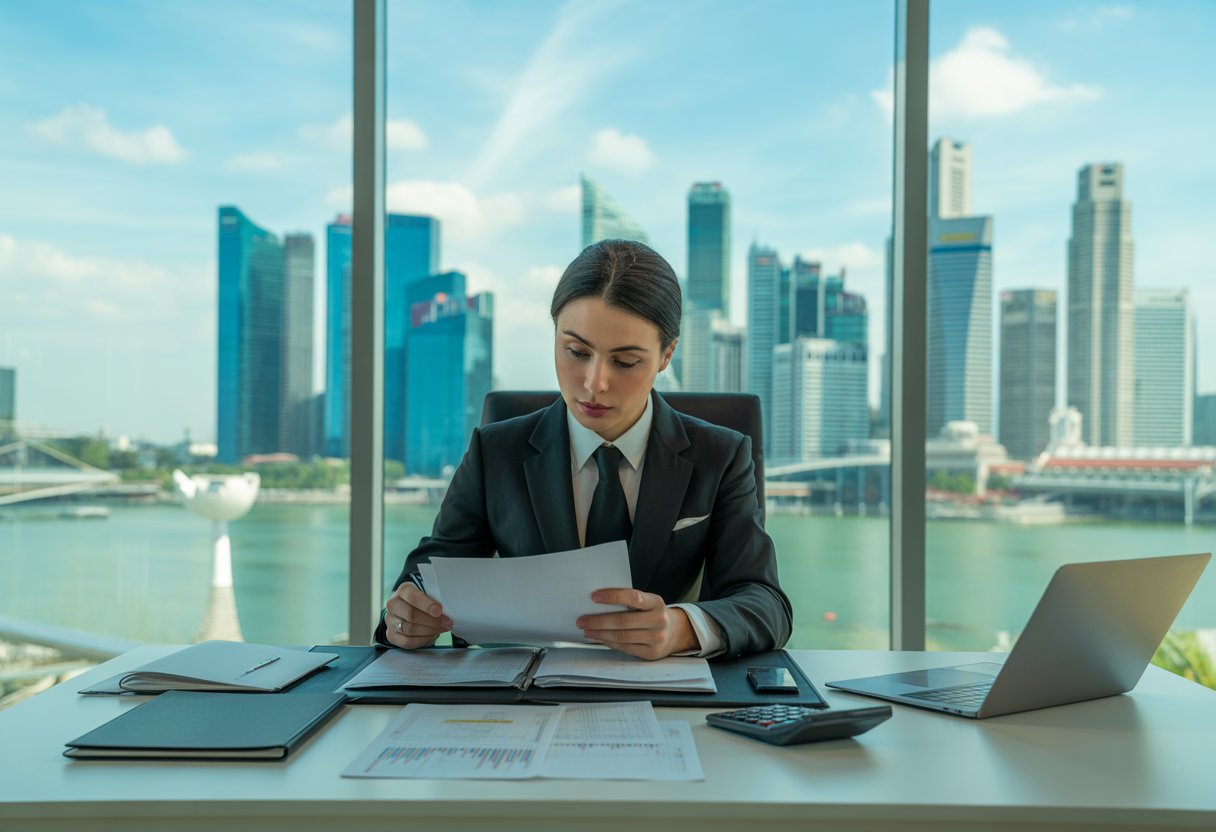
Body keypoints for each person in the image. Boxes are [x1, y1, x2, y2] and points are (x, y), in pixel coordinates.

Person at [377, 238, 792, 660]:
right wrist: (406, 619)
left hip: (664, 699)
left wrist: (680, 628)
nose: (594, 384)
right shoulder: (495, 451)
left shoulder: (719, 455)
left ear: (667, 354)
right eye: (576, 351)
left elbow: (765, 603)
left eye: (625, 361)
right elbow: (424, 582)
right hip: (522, 699)